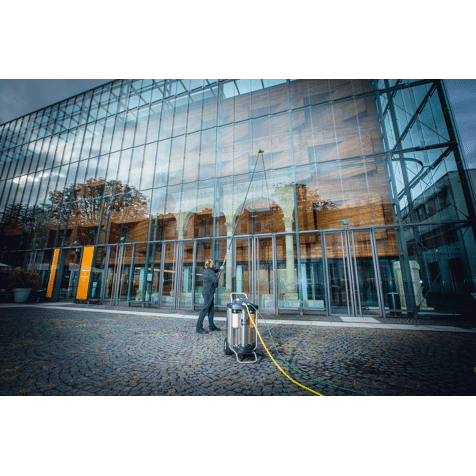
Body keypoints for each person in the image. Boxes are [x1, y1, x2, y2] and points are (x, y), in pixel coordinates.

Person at [196, 259, 224, 334]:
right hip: (209, 293)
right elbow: (215, 280)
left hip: (207, 292)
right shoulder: (210, 272)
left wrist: (219, 269)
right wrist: (216, 286)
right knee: (205, 310)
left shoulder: (206, 270)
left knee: (211, 310)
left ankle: (212, 326)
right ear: (211, 264)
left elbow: (213, 271)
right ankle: (198, 327)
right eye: (212, 263)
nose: (213, 264)